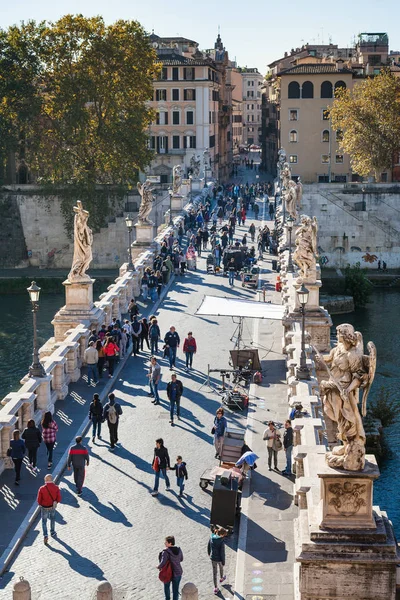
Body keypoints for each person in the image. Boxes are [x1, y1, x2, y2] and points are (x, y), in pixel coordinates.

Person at [37, 474, 61, 544]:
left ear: (46, 480)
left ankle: (45, 535)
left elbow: (39, 500)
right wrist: (55, 502)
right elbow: (59, 498)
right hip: (52, 507)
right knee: (52, 519)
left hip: (44, 507)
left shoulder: (42, 488)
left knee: (44, 521)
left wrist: (41, 505)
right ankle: (52, 532)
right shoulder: (56, 487)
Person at [158, 535, 184, 600]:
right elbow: (181, 559)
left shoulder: (165, 552)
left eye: (166, 542)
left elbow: (163, 562)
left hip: (167, 573)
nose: (164, 543)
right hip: (178, 572)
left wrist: (158, 566)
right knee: (175, 590)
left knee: (167, 587)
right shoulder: (179, 549)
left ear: (170, 543)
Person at [208, 526, 228, 595]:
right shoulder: (221, 541)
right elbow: (222, 553)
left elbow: (208, 546)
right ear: (222, 535)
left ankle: (215, 588)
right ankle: (221, 578)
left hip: (213, 558)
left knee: (214, 573)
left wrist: (209, 554)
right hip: (219, 558)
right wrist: (223, 561)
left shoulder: (211, 537)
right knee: (221, 568)